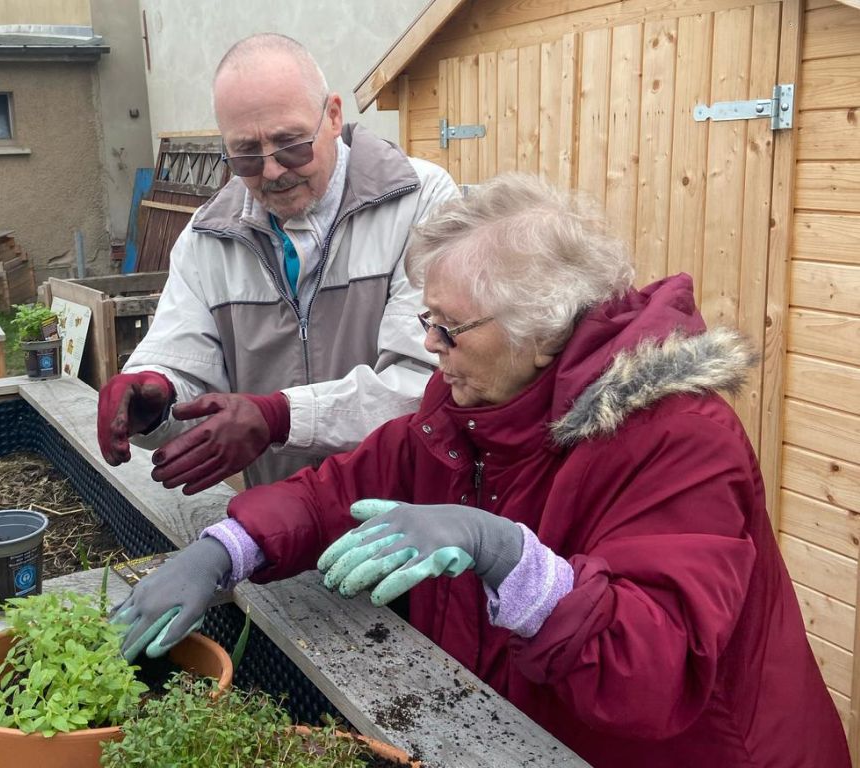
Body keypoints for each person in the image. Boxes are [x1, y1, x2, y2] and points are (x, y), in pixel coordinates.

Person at [112, 173, 850, 767]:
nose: (428, 344)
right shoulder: (468, 401)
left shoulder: (679, 436)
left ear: (543, 331)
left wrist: (508, 554)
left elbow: (652, 671)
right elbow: (345, 487)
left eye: (448, 327)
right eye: (426, 320)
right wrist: (227, 550)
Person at [96, 33, 459, 494]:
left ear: (332, 115)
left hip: (407, 521)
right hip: (279, 524)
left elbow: (425, 384)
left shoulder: (418, 200)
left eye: (290, 145)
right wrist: (159, 397)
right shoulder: (208, 239)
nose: (271, 171)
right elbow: (183, 364)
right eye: (246, 154)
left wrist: (279, 417)